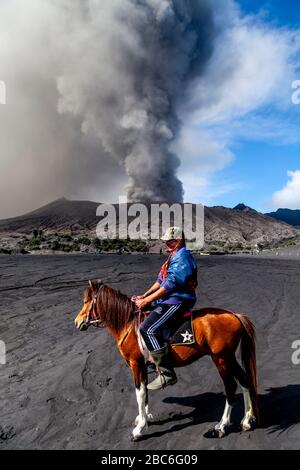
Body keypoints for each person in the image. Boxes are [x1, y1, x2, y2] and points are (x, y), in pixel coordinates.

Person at [134, 227, 198, 391]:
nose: (167, 244)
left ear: (179, 241)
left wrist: (147, 300)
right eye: (166, 241)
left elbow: (170, 284)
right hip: (169, 298)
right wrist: (144, 296)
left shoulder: (182, 257)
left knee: (146, 329)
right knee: (145, 313)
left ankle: (166, 373)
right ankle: (154, 357)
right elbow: (160, 281)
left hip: (178, 300)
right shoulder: (172, 257)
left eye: (171, 241)